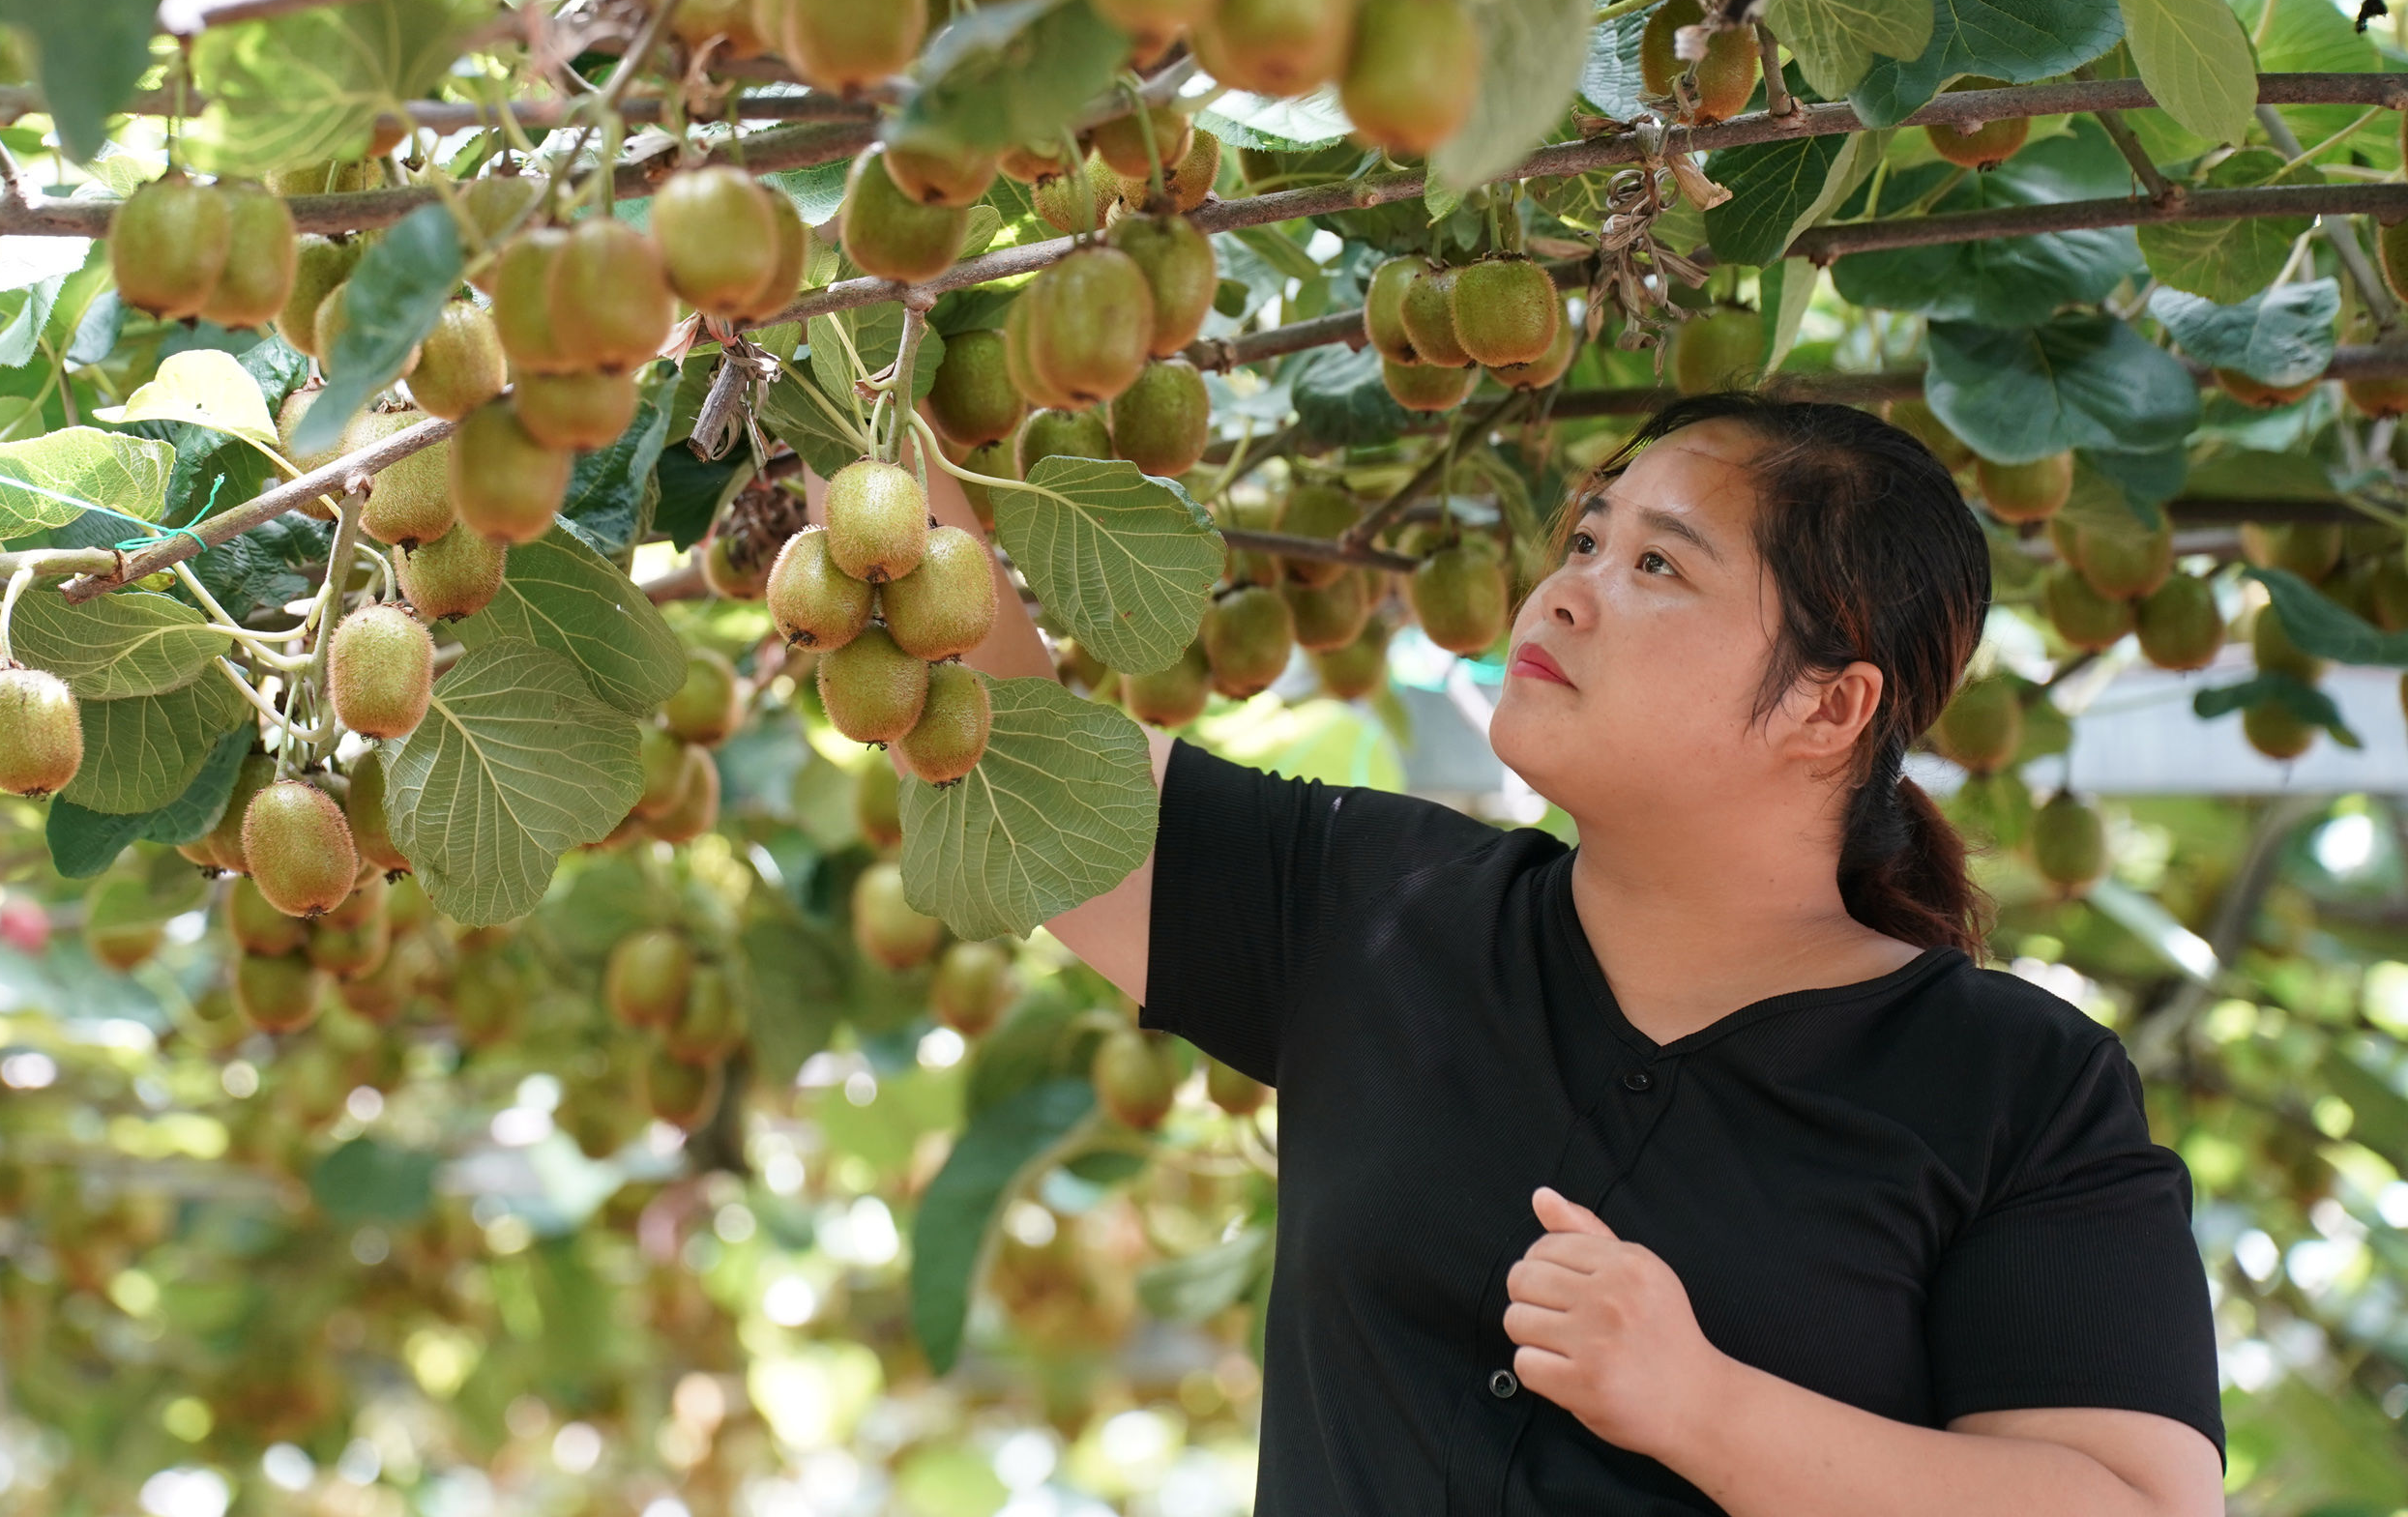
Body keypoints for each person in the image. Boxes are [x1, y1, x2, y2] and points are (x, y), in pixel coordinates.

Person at [936, 391, 2224, 1517]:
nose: (1562, 589)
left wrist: (1703, 1408)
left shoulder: (2014, 1087)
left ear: (1828, 706)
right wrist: (851, 398)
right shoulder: (1367, 904)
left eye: (1658, 567)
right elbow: (1004, 752)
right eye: (1589, 540)